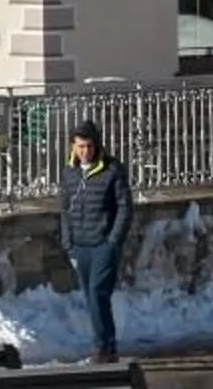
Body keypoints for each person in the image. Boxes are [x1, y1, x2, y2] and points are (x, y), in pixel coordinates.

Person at [60, 120, 132, 362]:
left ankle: (103, 347)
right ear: (73, 146)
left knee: (97, 293)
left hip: (103, 244)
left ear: (97, 145)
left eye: (89, 146)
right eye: (80, 146)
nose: (85, 152)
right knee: (90, 297)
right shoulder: (69, 172)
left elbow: (124, 207)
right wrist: (68, 244)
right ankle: (108, 345)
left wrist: (113, 241)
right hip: (80, 245)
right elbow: (64, 210)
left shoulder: (112, 170)